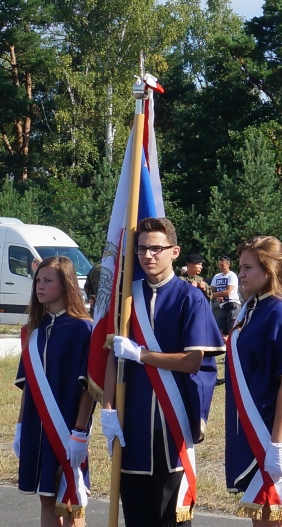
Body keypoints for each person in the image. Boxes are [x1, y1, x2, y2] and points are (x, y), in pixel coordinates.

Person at [102, 217, 225, 526]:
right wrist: (107, 408)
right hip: (132, 419)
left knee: (171, 517)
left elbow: (192, 361)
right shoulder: (126, 297)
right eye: (141, 248)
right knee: (136, 514)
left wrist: (141, 354)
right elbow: (110, 354)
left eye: (156, 248)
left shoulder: (190, 297)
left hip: (171, 422)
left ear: (174, 251)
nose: (148, 255)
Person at [226, 236, 282, 526]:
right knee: (259, 514)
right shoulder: (253, 309)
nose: (241, 274)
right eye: (240, 267)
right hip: (251, 426)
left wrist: (277, 444)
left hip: (271, 431)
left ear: (269, 270)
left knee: (273, 514)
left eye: (248, 268)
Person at [14, 256, 94, 526]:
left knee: (71, 501)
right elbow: (29, 384)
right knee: (46, 498)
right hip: (36, 425)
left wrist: (80, 431)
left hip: (68, 427)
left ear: (66, 284)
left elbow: (89, 387)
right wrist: (20, 426)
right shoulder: (32, 330)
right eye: (38, 280)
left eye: (47, 280)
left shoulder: (83, 328)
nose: (40, 285)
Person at [211, 255, 241, 337]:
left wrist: (213, 295)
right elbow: (211, 290)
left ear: (228, 264)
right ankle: (227, 344)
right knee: (220, 332)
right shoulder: (216, 276)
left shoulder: (231, 275)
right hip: (222, 306)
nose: (220, 267)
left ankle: (233, 344)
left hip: (233, 305)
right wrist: (217, 297)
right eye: (219, 265)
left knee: (232, 331)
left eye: (222, 265)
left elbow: (228, 292)